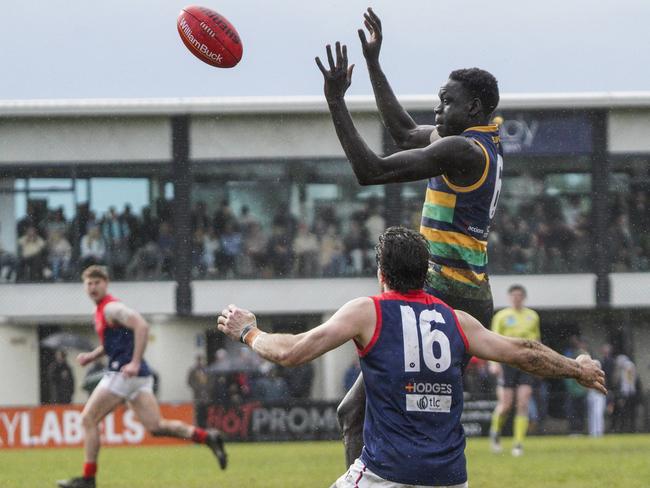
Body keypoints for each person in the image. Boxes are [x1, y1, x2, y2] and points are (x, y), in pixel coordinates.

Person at [217, 227, 606, 488]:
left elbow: (290, 353)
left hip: (388, 474)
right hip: (451, 478)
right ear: (427, 274)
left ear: (381, 271)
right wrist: (579, 369)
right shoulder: (457, 320)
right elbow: (525, 352)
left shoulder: (367, 311)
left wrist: (248, 332)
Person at [316, 8, 503, 465]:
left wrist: (336, 102)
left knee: (357, 414)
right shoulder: (477, 143)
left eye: (446, 101)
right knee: (377, 414)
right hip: (460, 294)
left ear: (473, 108)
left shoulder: (463, 150)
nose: (437, 109)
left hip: (448, 295)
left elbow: (371, 170)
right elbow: (402, 132)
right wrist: (375, 63)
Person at [57, 265, 227, 488]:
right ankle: (207, 437)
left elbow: (141, 326)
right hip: (136, 376)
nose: (93, 287)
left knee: (88, 419)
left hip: (124, 372)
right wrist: (93, 355)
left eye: (97, 282)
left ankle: (88, 478)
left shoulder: (111, 308)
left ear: (106, 284)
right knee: (156, 426)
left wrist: (135, 361)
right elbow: (114, 342)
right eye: (89, 283)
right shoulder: (101, 311)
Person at [488, 284, 541, 456]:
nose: (516, 298)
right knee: (505, 405)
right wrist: (494, 363)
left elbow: (537, 341)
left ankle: (518, 443)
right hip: (507, 362)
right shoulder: (502, 316)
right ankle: (495, 432)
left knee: (523, 402)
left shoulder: (532, 316)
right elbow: (493, 340)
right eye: (514, 295)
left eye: (519, 295)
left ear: (523, 297)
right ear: (510, 297)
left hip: (526, 363)